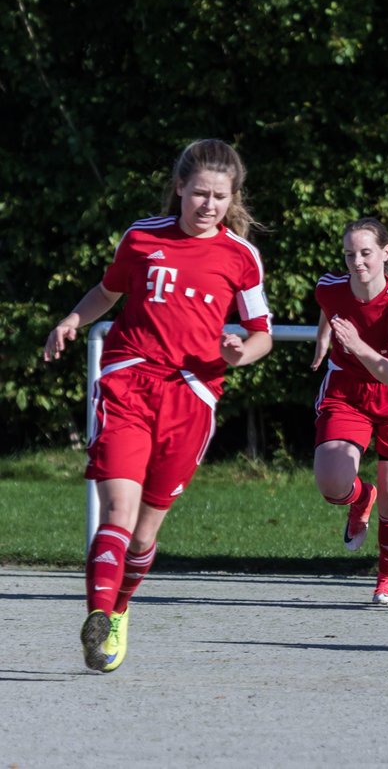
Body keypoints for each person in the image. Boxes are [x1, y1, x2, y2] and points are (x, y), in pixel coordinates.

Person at [43, 139, 273, 672]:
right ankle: (98, 617)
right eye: (199, 194)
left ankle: (119, 608)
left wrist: (240, 353)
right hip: (128, 382)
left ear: (233, 198)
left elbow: (262, 335)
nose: (208, 205)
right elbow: (107, 292)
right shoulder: (143, 237)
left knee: (145, 533)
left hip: (192, 396)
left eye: (219, 197)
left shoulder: (242, 256)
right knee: (118, 511)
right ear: (179, 188)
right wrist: (73, 320)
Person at [311, 218, 388, 605]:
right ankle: (361, 498)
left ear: (385, 253)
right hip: (348, 392)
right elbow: (327, 307)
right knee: (331, 483)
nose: (357, 261)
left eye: (365, 253)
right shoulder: (329, 287)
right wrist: (323, 338)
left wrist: (357, 343)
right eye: (350, 254)